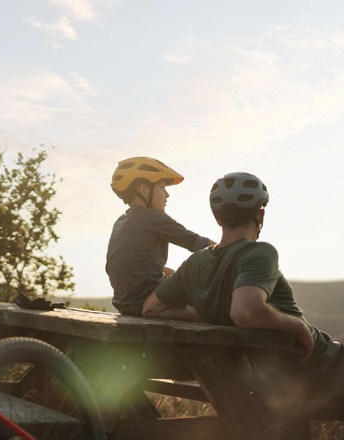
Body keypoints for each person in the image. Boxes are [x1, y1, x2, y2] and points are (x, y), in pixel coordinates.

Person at [143, 172, 344, 408]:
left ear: (218, 219)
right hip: (323, 367)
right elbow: (245, 311)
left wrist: (200, 315)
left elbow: (151, 308)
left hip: (266, 377)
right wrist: (297, 325)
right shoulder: (259, 252)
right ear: (261, 214)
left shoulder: (194, 264)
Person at [106, 157, 215, 316]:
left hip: (126, 304)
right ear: (144, 190)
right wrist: (232, 254)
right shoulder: (151, 218)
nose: (167, 194)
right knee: (213, 308)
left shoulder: (122, 222)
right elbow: (199, 244)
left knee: (174, 273)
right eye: (162, 187)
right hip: (147, 302)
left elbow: (136, 267)